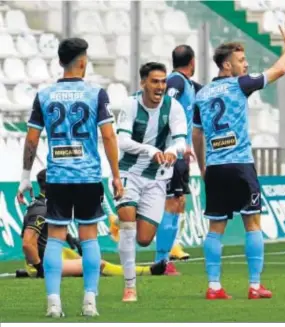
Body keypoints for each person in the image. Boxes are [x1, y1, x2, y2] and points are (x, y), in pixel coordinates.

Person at [16, 37, 124, 318]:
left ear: (61, 61)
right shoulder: (96, 93)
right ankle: (89, 300)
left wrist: (26, 176)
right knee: (89, 239)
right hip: (87, 177)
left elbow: (31, 139)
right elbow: (109, 135)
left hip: (58, 178)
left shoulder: (44, 95)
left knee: (55, 238)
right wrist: (115, 175)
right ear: (82, 61)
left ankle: (54, 302)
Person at [192, 24, 285, 300]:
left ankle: (214, 286)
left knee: (216, 228)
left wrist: (204, 167)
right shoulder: (240, 84)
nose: (246, 64)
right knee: (252, 224)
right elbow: (279, 71)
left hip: (215, 168)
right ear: (227, 65)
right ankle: (254, 285)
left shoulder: (201, 94)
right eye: (241, 60)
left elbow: (197, 134)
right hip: (240, 165)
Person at [115, 62, 187, 302]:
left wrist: (172, 152)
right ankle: (130, 287)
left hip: (157, 177)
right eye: (155, 81)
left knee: (144, 239)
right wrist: (150, 149)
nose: (160, 87)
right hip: (128, 172)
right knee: (127, 227)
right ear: (143, 82)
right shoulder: (130, 104)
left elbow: (180, 142)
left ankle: (127, 212)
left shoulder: (174, 107)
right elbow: (122, 141)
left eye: (163, 82)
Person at [19, 169, 166, 279]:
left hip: (56, 255)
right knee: (96, 264)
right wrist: (39, 268)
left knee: (91, 259)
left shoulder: (47, 204)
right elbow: (27, 243)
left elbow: (48, 230)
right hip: (45, 262)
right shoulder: (41, 209)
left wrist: (70, 239)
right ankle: (148, 271)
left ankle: (29, 271)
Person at [154, 45, 202, 275]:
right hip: (172, 153)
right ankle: (161, 260)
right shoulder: (176, 82)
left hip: (181, 153)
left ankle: (167, 254)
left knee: (178, 202)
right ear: (192, 61)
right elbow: (165, 106)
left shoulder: (188, 84)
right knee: (171, 203)